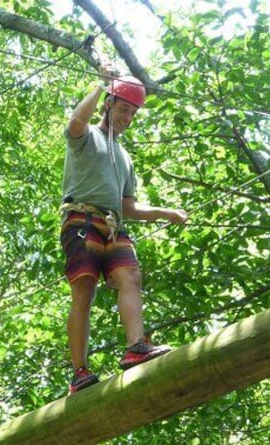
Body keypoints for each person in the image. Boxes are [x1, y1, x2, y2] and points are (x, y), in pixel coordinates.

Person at [60, 66, 188, 394]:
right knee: (84, 290)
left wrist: (165, 213)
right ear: (108, 104)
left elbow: (128, 206)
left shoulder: (125, 158)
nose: (128, 118)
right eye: (123, 109)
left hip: (114, 226)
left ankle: (136, 346)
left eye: (132, 113)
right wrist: (101, 84)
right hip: (82, 221)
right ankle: (79, 372)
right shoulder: (87, 137)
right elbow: (75, 123)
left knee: (130, 277)